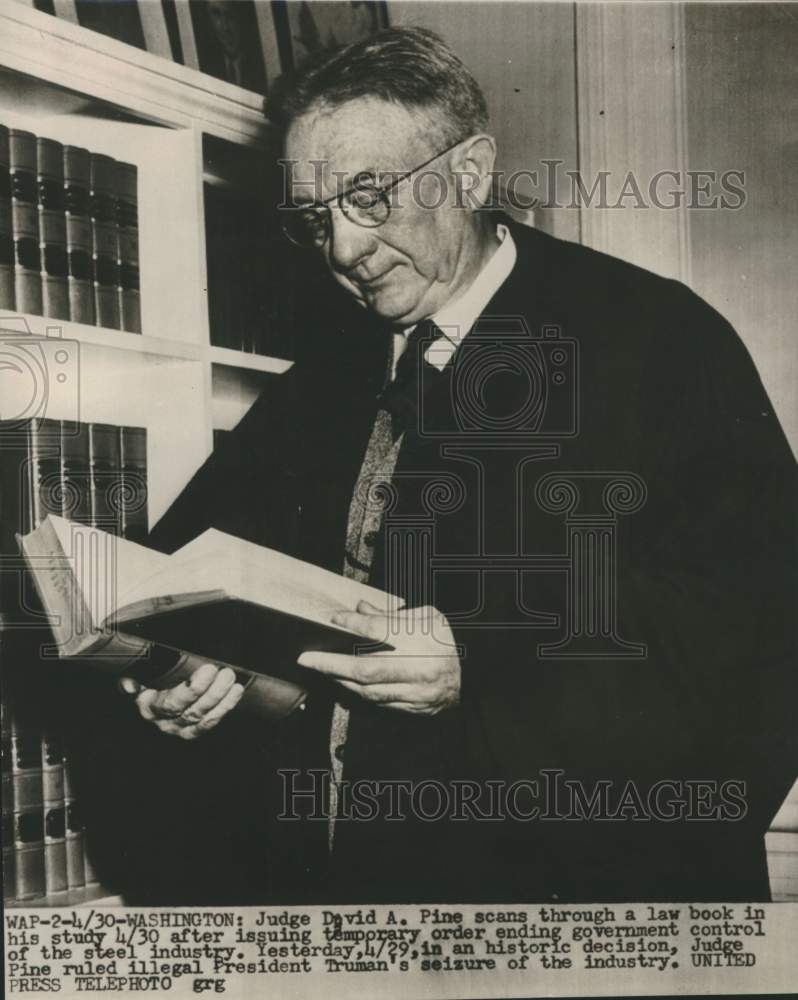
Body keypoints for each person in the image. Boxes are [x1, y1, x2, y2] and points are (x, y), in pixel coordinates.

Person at [113, 27, 795, 904]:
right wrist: (191, 674)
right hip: (351, 892)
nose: (343, 250)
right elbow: (200, 580)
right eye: (315, 218)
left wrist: (487, 667)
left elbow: (759, 631)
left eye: (368, 196)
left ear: (470, 173)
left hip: (568, 905)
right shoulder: (325, 376)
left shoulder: (657, 340)